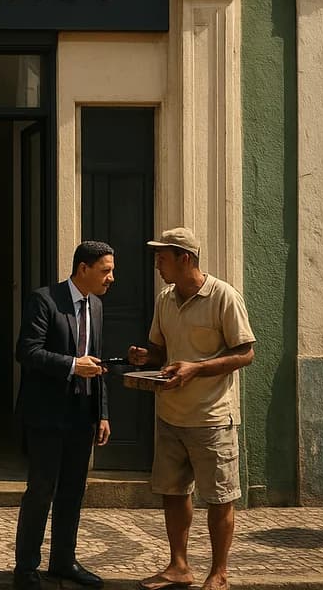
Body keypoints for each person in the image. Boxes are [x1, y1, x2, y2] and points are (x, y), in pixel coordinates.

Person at [127, 227, 255, 590]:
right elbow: (160, 350)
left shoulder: (223, 296)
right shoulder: (165, 298)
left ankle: (219, 573)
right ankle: (178, 566)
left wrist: (196, 367)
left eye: (162, 257)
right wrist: (145, 357)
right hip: (170, 414)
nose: (157, 265)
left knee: (219, 497)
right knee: (173, 492)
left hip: (212, 417)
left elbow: (245, 352)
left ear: (185, 258)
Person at [12, 240, 115, 590]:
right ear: (82, 269)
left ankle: (63, 561)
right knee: (41, 489)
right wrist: (72, 365)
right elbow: (26, 351)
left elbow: (97, 361)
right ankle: (26, 567)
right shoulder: (44, 300)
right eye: (105, 271)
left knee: (73, 490)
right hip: (46, 414)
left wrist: (102, 413)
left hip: (82, 415)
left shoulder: (97, 306)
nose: (111, 278)